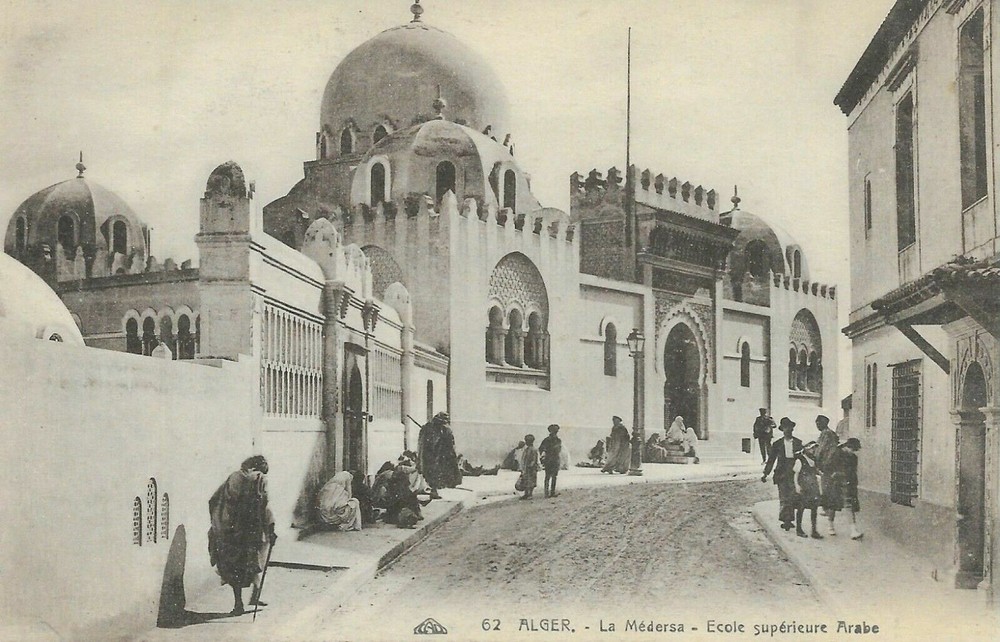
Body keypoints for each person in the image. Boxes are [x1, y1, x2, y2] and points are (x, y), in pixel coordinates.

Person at [208, 455, 276, 616]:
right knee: (248, 563)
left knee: (240, 566)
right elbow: (263, 505)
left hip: (231, 532)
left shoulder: (236, 478)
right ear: (256, 468)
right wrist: (270, 528)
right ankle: (244, 601)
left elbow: (214, 501)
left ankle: (246, 600)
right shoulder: (254, 480)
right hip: (243, 532)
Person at [762, 418, 802, 531]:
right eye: (785, 427)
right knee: (784, 497)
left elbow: (802, 458)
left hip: (794, 472)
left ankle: (789, 519)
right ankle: (786, 520)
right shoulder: (777, 444)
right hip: (782, 473)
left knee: (793, 496)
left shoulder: (798, 443)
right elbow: (771, 460)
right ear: (782, 429)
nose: (788, 430)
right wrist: (765, 473)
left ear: (792, 428)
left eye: (789, 427)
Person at [417, 412, 462, 499]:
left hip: (439, 456)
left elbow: (450, 444)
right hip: (431, 456)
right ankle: (433, 491)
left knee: (436, 474)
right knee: (432, 474)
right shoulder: (428, 428)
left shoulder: (444, 430)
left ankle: (434, 490)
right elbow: (423, 444)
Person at [825, 438, 863, 540]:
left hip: (848, 483)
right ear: (847, 447)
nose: (853, 451)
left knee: (849, 505)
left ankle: (853, 530)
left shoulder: (854, 457)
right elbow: (828, 467)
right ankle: (830, 525)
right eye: (852, 449)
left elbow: (853, 471)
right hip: (836, 483)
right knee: (833, 505)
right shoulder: (836, 454)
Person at [793, 441, 824, 539]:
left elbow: (815, 470)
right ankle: (799, 529)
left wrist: (820, 473)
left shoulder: (813, 459)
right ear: (806, 448)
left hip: (813, 486)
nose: (813, 450)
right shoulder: (800, 459)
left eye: (814, 448)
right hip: (804, 486)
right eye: (811, 448)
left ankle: (814, 530)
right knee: (801, 508)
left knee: (814, 508)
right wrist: (797, 485)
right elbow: (796, 474)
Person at [814, 414, 839, 513]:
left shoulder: (826, 434)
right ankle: (828, 508)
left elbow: (821, 449)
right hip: (829, 463)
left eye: (818, 423)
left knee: (826, 486)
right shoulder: (830, 433)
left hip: (827, 463)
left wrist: (816, 459)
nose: (817, 425)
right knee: (827, 485)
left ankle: (828, 509)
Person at [538, 424, 563, 498]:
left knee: (548, 476)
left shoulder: (546, 440)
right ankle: (552, 492)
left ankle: (547, 493)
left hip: (549, 459)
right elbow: (559, 450)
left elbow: (540, 449)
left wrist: (542, 456)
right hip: (554, 459)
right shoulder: (558, 440)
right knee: (553, 476)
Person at [517, 434, 539, 499]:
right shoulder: (527, 449)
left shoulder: (533, 449)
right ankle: (526, 494)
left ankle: (530, 494)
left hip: (531, 468)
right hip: (527, 468)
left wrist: (530, 465)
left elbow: (534, 459)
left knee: (531, 482)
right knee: (526, 481)